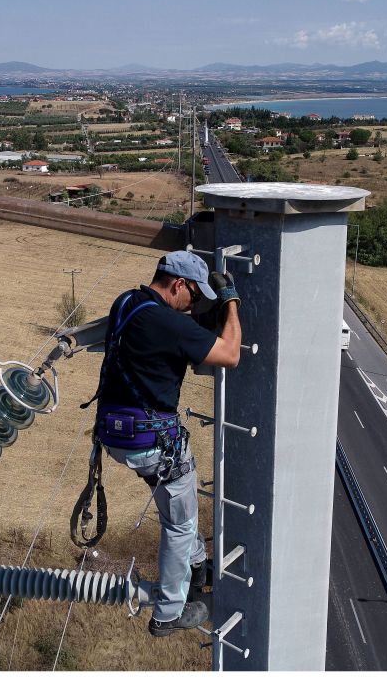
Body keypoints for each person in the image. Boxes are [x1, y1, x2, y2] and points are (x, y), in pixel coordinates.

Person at [89, 250, 241, 637]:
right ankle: (169, 613)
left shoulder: (125, 301)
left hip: (115, 431)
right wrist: (231, 304)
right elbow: (229, 354)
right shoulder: (169, 324)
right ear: (178, 285)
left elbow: (156, 342)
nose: (194, 307)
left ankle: (196, 564)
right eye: (194, 297)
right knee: (180, 521)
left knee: (178, 496)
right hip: (151, 440)